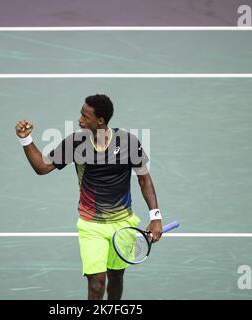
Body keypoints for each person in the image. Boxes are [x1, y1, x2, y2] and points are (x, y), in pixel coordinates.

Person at [15, 94, 163, 300]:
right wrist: (25, 138)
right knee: (97, 283)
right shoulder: (76, 143)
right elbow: (42, 167)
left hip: (123, 223)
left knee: (116, 276)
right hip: (91, 225)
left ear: (100, 120)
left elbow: (144, 179)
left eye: (85, 116)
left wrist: (155, 216)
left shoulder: (128, 142)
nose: (79, 119)